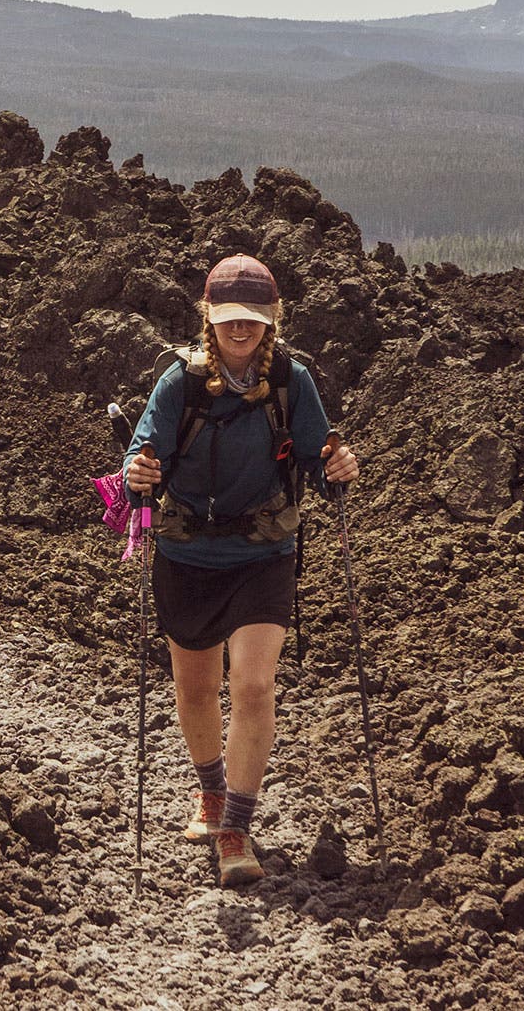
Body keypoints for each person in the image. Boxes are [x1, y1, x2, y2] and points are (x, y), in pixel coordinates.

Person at [121, 255, 361, 886]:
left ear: (271, 320)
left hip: (264, 555)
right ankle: (209, 792)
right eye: (229, 318)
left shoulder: (291, 379)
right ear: (209, 316)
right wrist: (137, 474)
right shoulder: (179, 381)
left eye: (253, 319)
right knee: (197, 689)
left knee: (253, 687)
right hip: (186, 556)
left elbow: (317, 451)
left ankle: (235, 830)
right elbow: (142, 450)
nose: (241, 329)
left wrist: (336, 463)